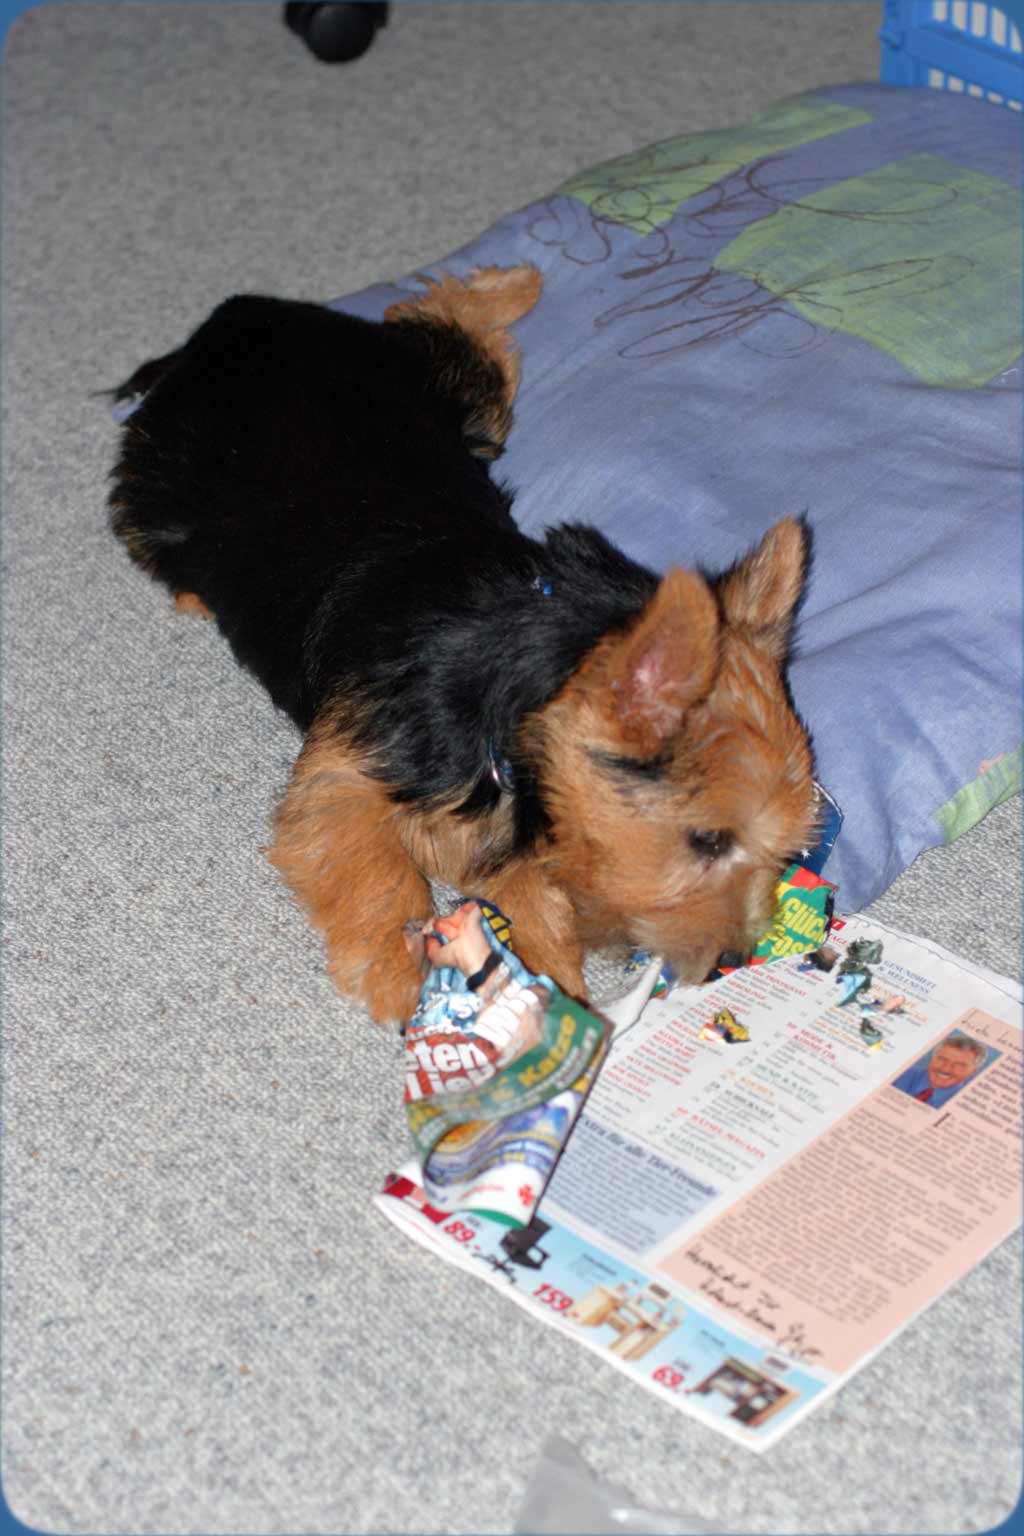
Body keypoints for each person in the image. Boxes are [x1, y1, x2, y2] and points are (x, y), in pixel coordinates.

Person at [891, 1034, 988, 1107]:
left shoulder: (967, 1104)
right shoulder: (900, 1072)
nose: (946, 1069)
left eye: (959, 1065)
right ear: (932, 1058)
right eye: (942, 1059)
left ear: (973, 1071)